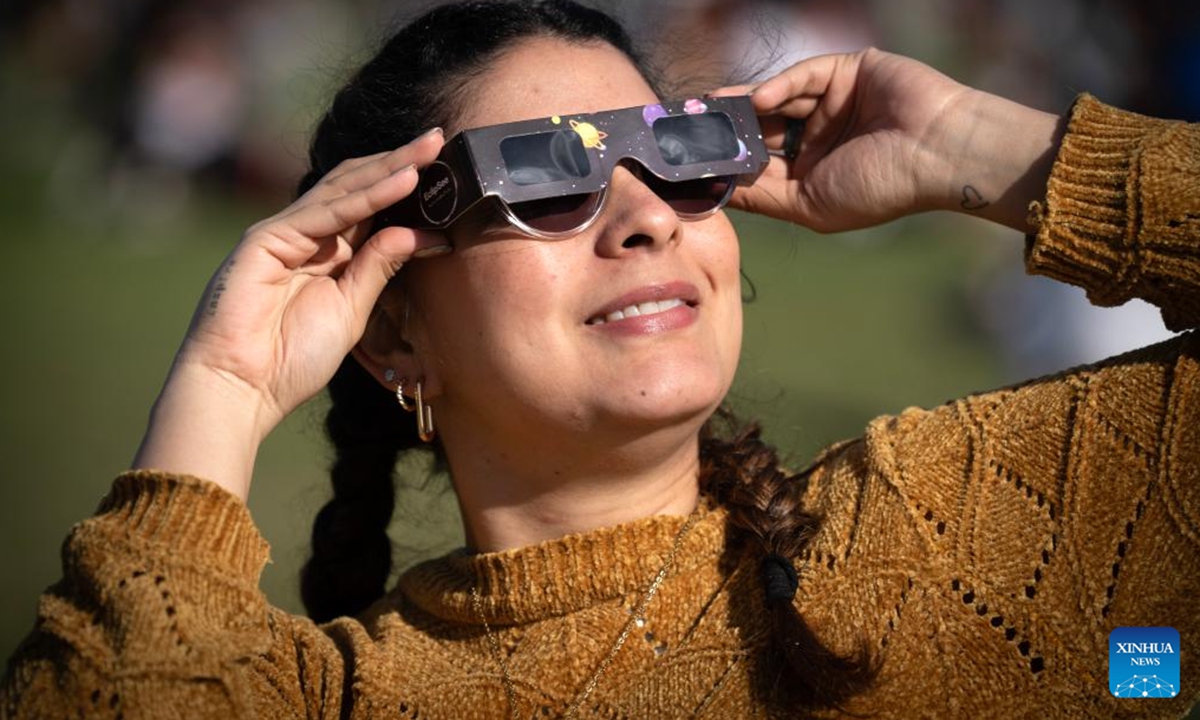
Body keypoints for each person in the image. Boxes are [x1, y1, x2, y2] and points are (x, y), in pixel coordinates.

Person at [3, 1, 1198, 717]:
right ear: (391, 327)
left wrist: (997, 151)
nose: (646, 216)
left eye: (683, 156)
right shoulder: (330, 697)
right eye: (542, 174)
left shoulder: (968, 538)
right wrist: (220, 391)